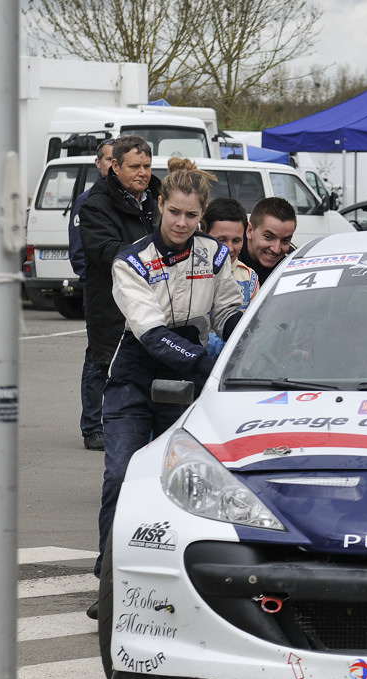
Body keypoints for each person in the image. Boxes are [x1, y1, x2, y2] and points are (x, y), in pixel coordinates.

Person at [89, 158, 245, 617]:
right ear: (160, 205)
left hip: (188, 378)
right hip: (135, 376)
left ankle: (176, 580)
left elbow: (228, 313)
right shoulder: (130, 260)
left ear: (202, 216)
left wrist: (246, 339)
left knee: (183, 485)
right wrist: (209, 365)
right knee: (121, 477)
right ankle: (108, 580)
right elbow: (151, 333)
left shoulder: (216, 255)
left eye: (191, 215)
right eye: (174, 211)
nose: (181, 222)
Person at [79, 135, 160, 454]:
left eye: (147, 166)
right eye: (135, 166)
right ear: (114, 166)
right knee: (108, 372)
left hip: (157, 305)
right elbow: (106, 251)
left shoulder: (157, 197)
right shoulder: (95, 205)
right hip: (113, 308)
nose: (143, 172)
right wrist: (158, 254)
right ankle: (101, 432)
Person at [69, 138, 115, 451]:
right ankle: (92, 425)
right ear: (98, 164)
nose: (114, 164)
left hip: (132, 292)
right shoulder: (88, 200)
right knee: (96, 358)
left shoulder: (140, 199)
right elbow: (78, 255)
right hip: (100, 291)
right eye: (110, 159)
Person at [201, 197, 258, 358]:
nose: (229, 248)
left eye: (236, 241)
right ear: (204, 233)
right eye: (221, 240)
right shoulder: (189, 272)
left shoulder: (249, 277)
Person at [242, 196, 297, 285]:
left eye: (285, 241)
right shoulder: (230, 254)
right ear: (250, 231)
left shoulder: (292, 260)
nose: (276, 249)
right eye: (268, 237)